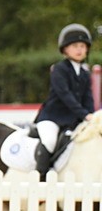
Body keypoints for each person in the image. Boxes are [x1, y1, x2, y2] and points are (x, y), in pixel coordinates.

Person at [31, 23, 95, 180]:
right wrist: (84, 115)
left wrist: (91, 116)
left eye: (82, 46)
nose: (79, 49)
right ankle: (41, 179)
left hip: (73, 120)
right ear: (65, 49)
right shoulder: (59, 69)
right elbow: (65, 96)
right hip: (53, 117)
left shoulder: (85, 73)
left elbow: (88, 97)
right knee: (50, 141)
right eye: (74, 46)